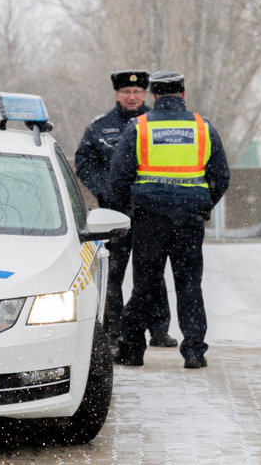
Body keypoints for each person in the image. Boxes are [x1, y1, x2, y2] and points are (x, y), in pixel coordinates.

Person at [106, 71, 230, 369]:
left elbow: (118, 178)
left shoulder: (139, 127)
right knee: (189, 284)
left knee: (145, 285)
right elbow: (221, 177)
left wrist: (130, 208)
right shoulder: (203, 127)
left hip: (150, 218)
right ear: (183, 94)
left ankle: (132, 350)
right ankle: (194, 352)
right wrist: (202, 204)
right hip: (189, 219)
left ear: (154, 96)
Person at [75, 70, 178, 349]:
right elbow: (84, 162)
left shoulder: (157, 124)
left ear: (146, 94)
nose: (132, 97)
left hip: (149, 211)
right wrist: (105, 189)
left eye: (137, 92)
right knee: (113, 273)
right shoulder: (100, 126)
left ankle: (158, 330)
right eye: (126, 92)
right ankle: (113, 330)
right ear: (117, 94)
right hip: (113, 213)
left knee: (151, 272)